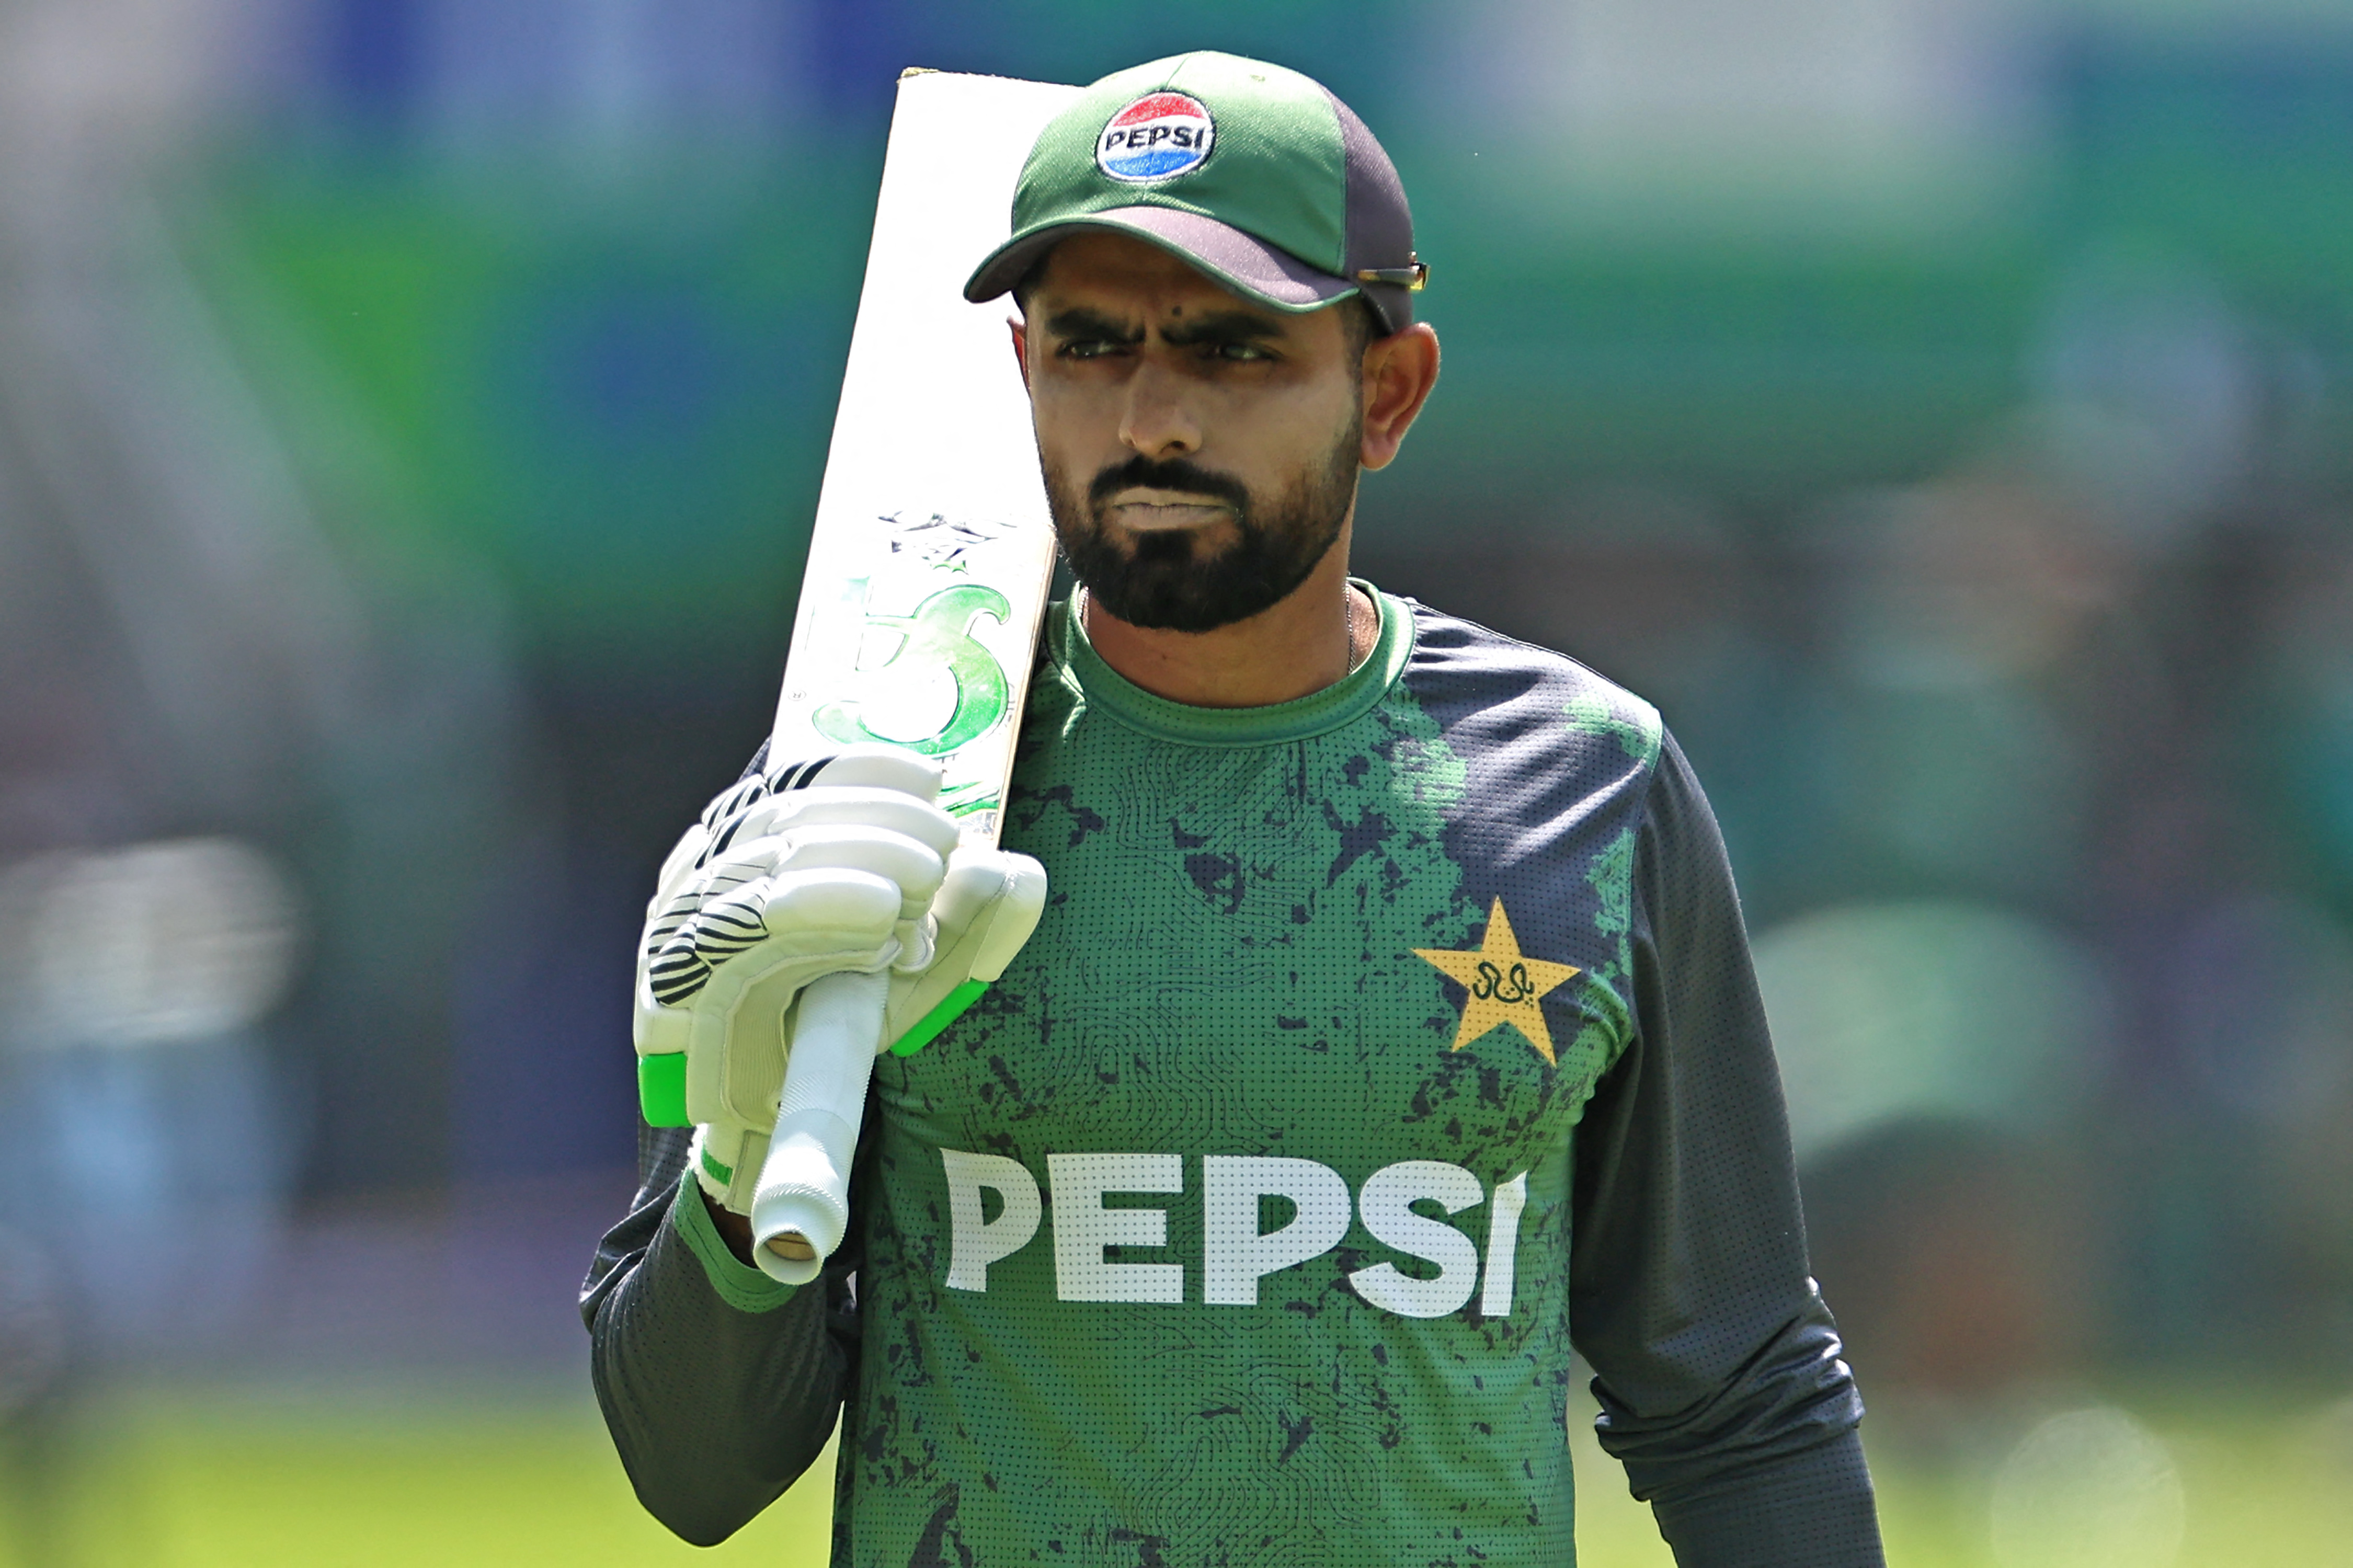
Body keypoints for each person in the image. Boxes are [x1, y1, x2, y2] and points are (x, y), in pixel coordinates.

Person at [584, 51, 1884, 1567]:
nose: (1151, 418)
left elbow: (1735, 1393)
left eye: (1231, 353)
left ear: (1385, 393)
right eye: (1089, 347)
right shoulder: (881, 780)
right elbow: (694, 1476)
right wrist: (737, 1157)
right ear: (1018, 376)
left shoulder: (1586, 787)